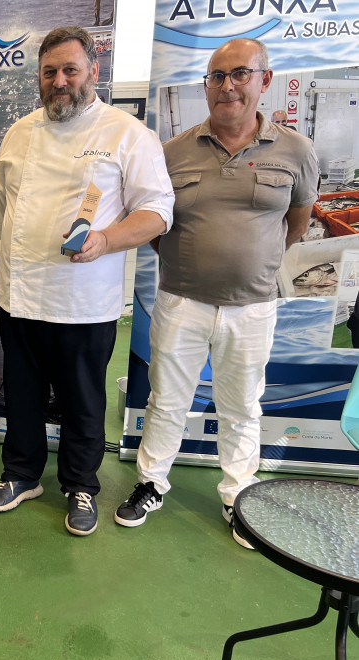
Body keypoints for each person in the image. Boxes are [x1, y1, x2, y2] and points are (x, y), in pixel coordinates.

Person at [113, 38, 319, 547]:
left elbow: (297, 222)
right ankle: (150, 483)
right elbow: (156, 224)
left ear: (264, 80)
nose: (227, 86)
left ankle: (237, 496)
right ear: (206, 84)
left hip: (253, 306)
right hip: (182, 300)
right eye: (216, 76)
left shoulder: (297, 150)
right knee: (167, 400)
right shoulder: (173, 152)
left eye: (240, 74)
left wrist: (253, 263)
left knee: (242, 404)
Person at [0, 26, 174, 537]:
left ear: (93, 70)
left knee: (83, 401)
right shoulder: (20, 132)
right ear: (39, 78)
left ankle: (81, 484)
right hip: (20, 296)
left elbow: (158, 211)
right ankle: (21, 474)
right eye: (50, 72)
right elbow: (4, 207)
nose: (60, 81)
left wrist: (107, 240)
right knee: (20, 395)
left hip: (84, 302)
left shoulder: (126, 133)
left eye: (70, 70)